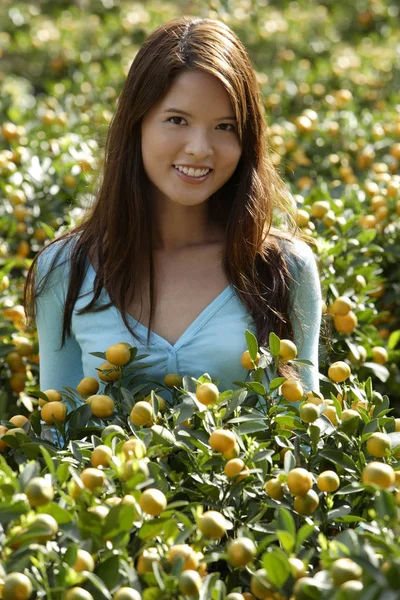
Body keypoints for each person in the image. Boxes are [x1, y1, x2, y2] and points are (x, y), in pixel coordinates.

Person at [24, 16, 322, 400]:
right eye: (177, 120)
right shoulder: (66, 269)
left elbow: (305, 435)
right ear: (137, 124)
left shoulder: (283, 269)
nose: (199, 147)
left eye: (225, 126)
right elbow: (57, 433)